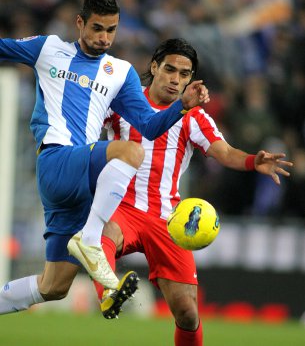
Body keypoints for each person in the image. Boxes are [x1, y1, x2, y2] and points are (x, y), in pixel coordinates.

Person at [0, 0, 209, 315]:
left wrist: (181, 107)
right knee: (130, 151)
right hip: (56, 159)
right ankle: (93, 240)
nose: (103, 37)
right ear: (80, 23)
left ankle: (89, 243)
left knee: (54, 285)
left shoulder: (120, 72)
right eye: (97, 28)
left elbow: (150, 126)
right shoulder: (48, 48)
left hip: (77, 183)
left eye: (111, 30)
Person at [92, 38, 293, 345]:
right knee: (103, 231)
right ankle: (109, 291)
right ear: (155, 67)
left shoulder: (194, 115)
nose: (175, 79)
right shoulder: (124, 103)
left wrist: (254, 161)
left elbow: (223, 152)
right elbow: (88, 125)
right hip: (123, 207)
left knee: (187, 313)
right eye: (169, 69)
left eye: (183, 74)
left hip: (167, 219)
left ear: (191, 79)